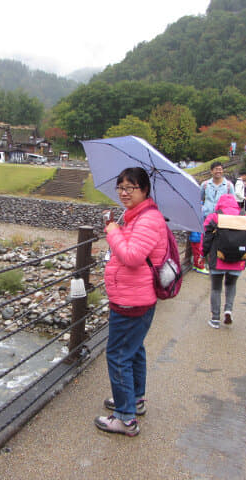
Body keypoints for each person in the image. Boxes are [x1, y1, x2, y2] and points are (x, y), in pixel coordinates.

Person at [95, 167, 168, 437]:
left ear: (145, 190)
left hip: (132, 299)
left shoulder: (148, 219)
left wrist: (113, 231)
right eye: (121, 187)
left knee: (118, 355)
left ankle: (125, 417)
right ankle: (134, 399)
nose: (124, 193)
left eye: (131, 188)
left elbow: (133, 256)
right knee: (134, 350)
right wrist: (121, 228)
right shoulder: (137, 216)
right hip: (134, 295)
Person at [202, 194, 246, 328]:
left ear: (219, 204)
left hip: (218, 259)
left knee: (216, 288)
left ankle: (215, 319)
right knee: (231, 285)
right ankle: (228, 309)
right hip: (238, 261)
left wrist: (203, 254)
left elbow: (206, 238)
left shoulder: (214, 217)